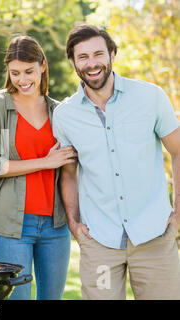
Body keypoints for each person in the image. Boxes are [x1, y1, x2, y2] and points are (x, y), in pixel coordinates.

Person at [53, 24, 180, 300]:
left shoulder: (150, 97)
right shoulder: (65, 116)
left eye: (98, 54)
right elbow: (69, 173)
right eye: (82, 56)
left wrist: (178, 211)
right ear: (73, 62)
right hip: (100, 241)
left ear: (112, 54)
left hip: (155, 235)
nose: (92, 63)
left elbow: (178, 150)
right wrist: (74, 224)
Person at [0, 35, 77, 300]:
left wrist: (75, 219)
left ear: (42, 66)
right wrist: (46, 162)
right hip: (11, 226)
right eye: (15, 73)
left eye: (28, 71)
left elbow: (70, 171)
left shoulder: (59, 111)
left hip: (55, 227)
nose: (22, 80)